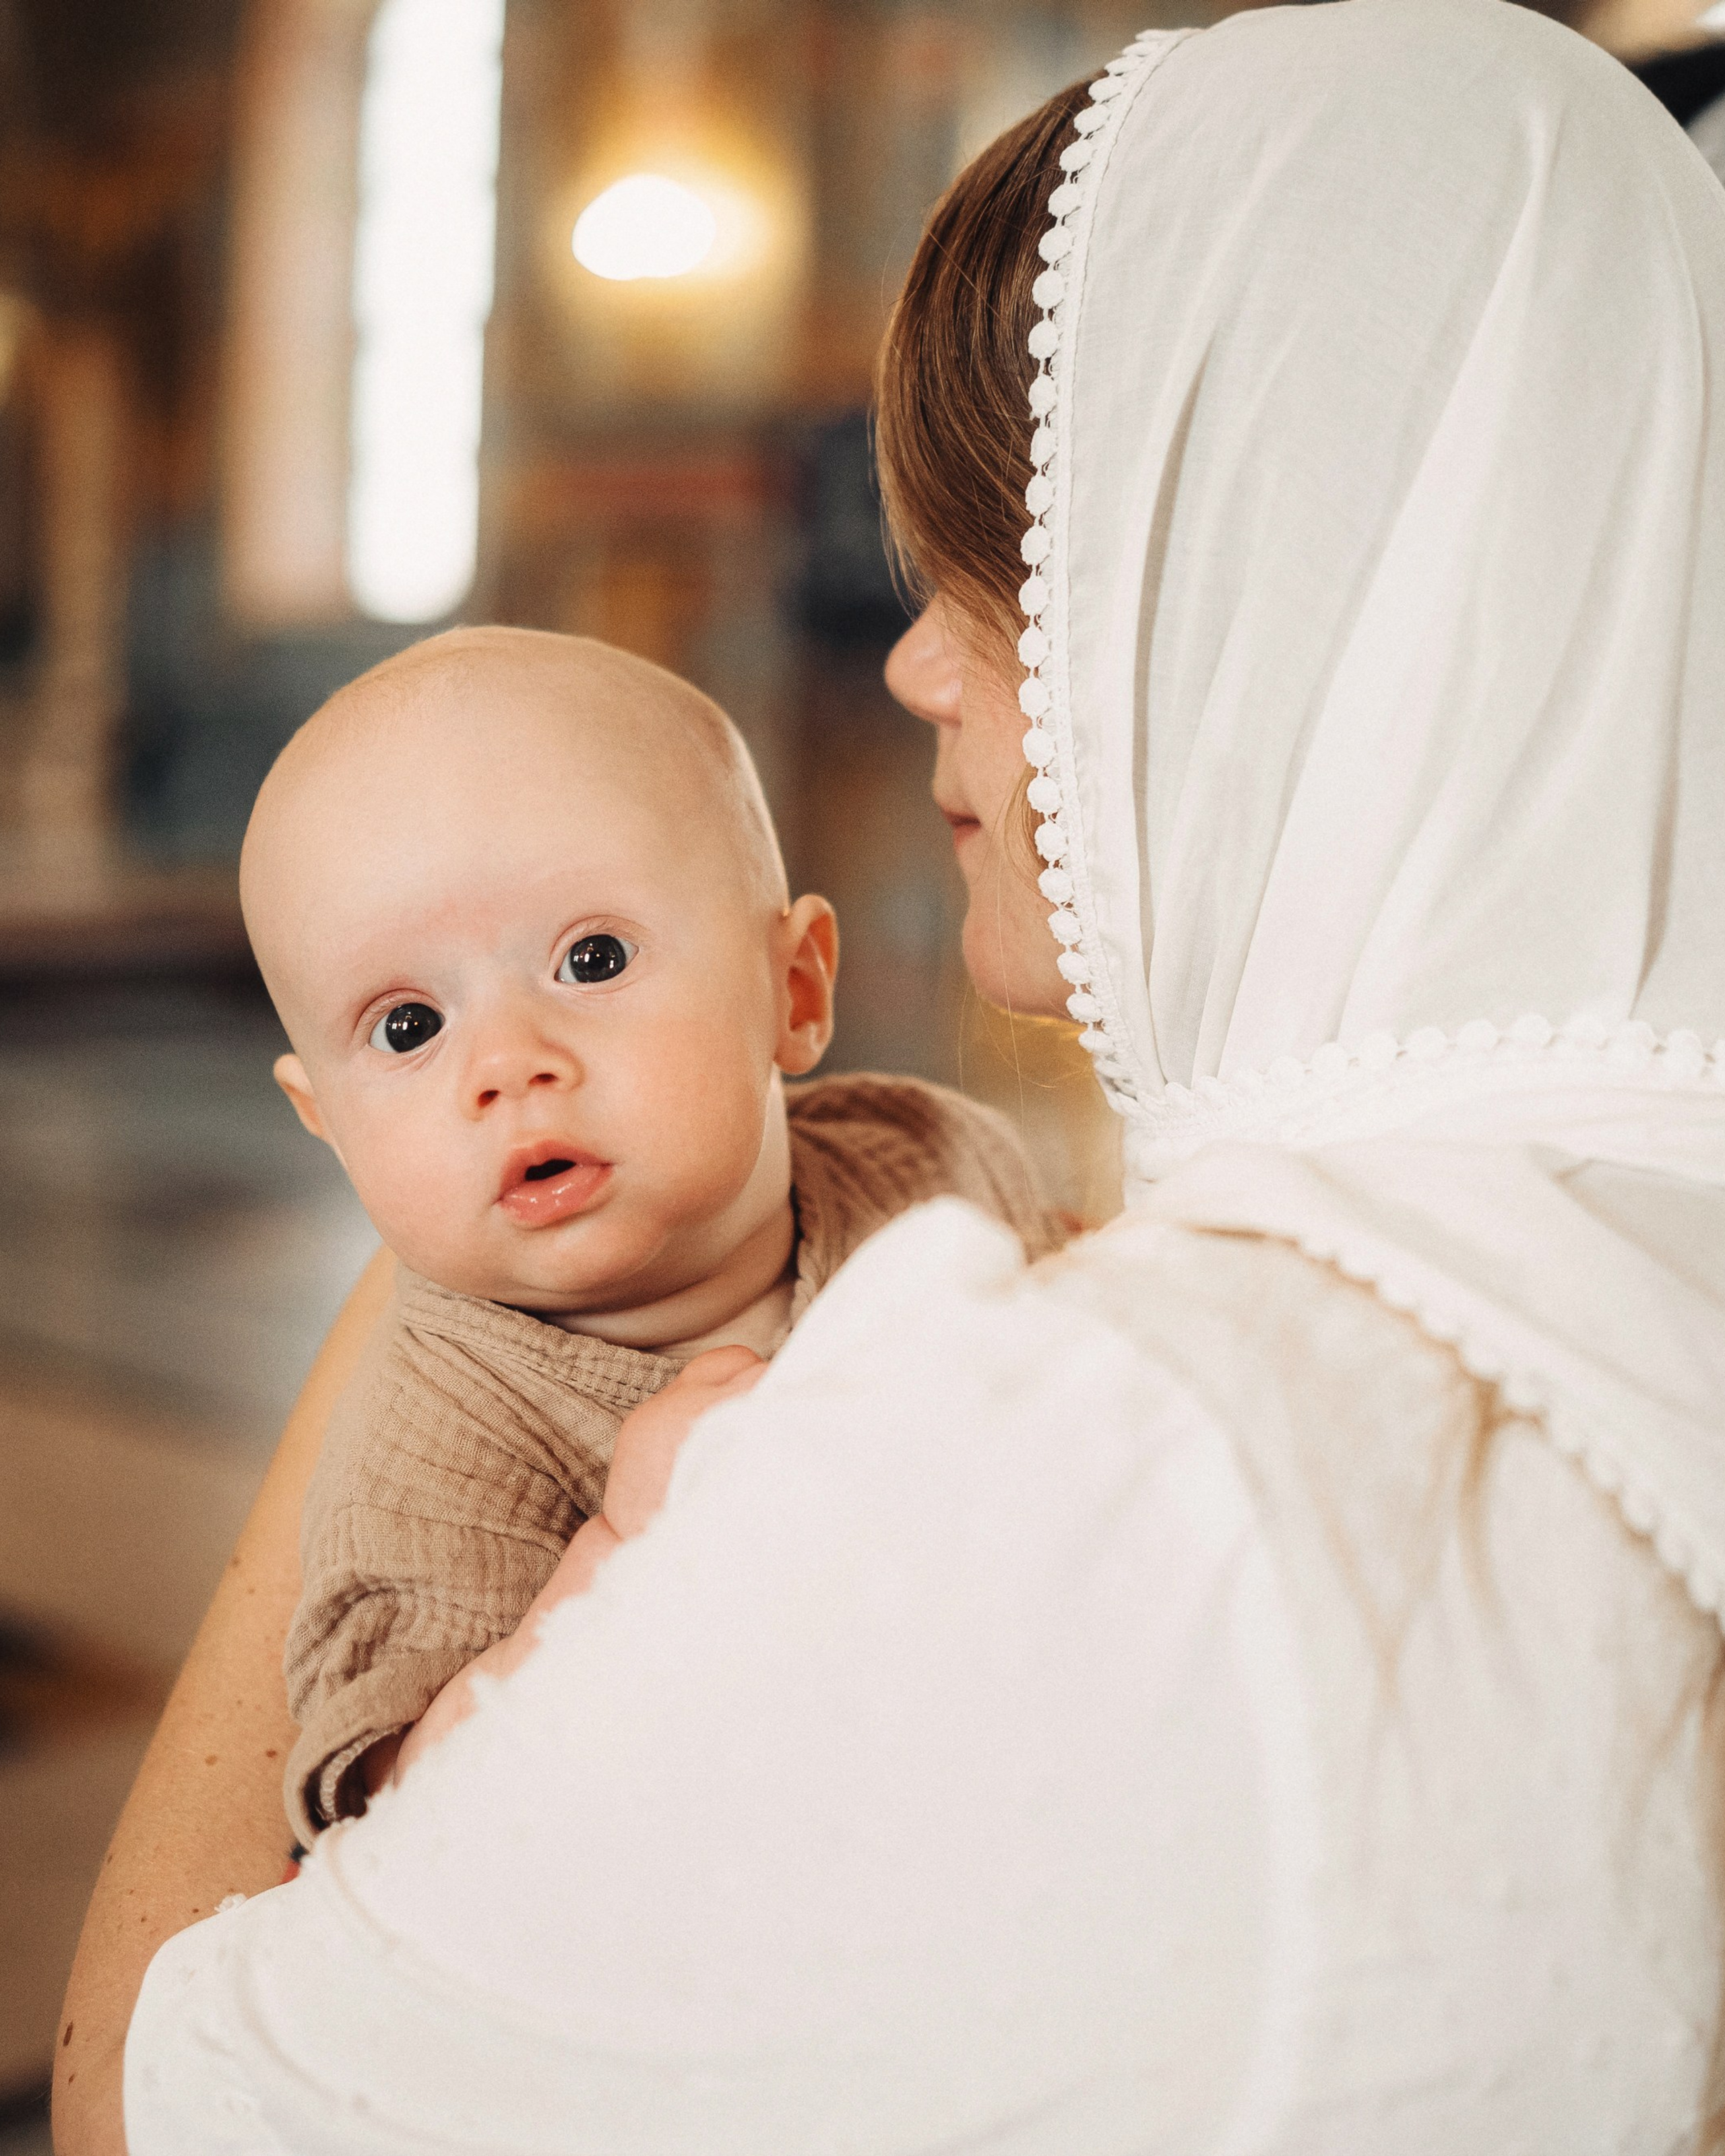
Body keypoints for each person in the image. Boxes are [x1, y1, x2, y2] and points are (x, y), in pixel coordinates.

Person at [60, 0, 1725, 2147]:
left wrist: (452, 1248)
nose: (920, 662)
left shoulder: (1075, 1457)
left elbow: (168, 2095)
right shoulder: (1618, 1240)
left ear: (1271, 587)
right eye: (406, 1025)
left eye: (1010, 570)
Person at [238, 625, 1053, 1839]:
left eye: (592, 958)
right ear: (331, 1128)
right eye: (409, 1027)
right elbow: (396, 1821)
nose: (509, 1064)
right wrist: (620, 1551)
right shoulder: (437, 1449)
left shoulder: (934, 1168)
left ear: (795, 991)